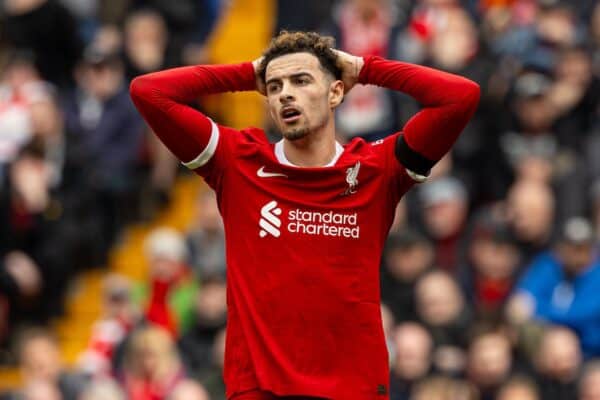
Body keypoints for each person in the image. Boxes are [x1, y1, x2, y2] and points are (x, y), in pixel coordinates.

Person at [130, 30, 479, 400]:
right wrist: (249, 73)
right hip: (260, 388)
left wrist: (364, 68)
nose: (286, 94)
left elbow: (460, 97)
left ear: (336, 92)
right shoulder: (238, 162)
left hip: (352, 389)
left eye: (301, 80)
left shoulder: (377, 168)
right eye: (275, 86)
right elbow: (147, 91)